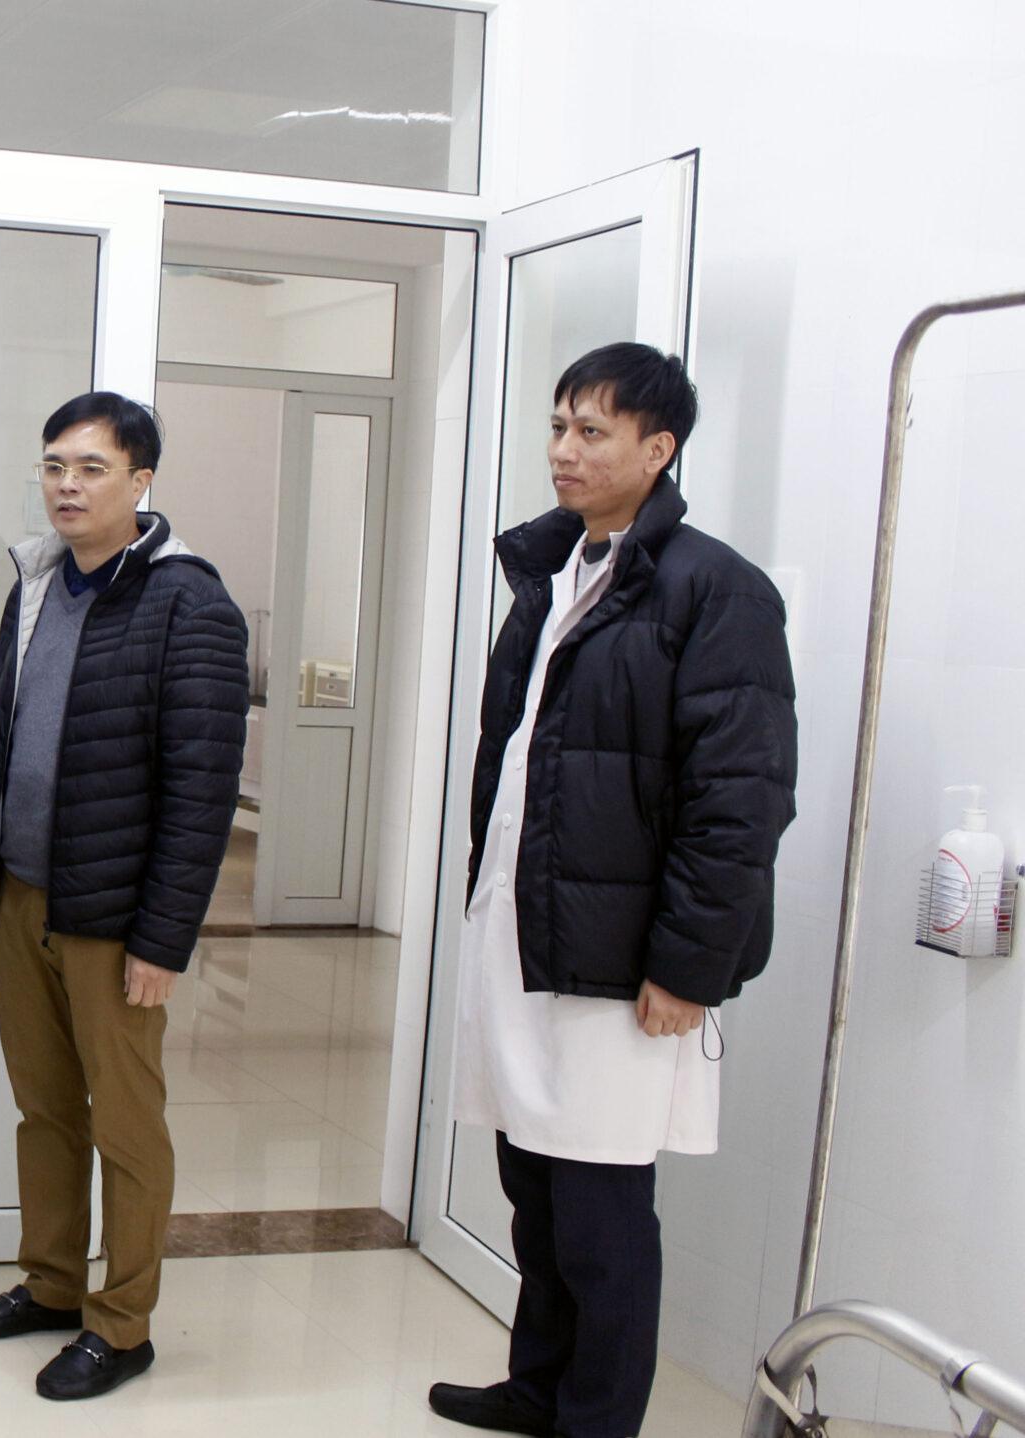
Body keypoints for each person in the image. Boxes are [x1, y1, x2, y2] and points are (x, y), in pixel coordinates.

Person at [428, 343, 798, 1438]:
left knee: (600, 1216)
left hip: (622, 959)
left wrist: (687, 966)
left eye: (592, 430)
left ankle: (595, 1419)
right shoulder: (553, 571)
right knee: (533, 1194)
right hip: (527, 935)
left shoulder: (715, 590)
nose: (564, 449)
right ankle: (538, 1387)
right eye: (558, 426)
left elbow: (740, 801)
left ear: (658, 448)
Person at [0, 392, 249, 1402]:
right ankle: (50, 1284)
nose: (67, 486)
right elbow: (3, 740)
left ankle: (121, 1324)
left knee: (124, 1122)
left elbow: (201, 792)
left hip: (115, 918)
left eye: (90, 468)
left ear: (141, 480)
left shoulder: (189, 604)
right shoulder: (35, 582)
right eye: (54, 466)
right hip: (22, 893)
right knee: (44, 1108)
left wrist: (163, 939)